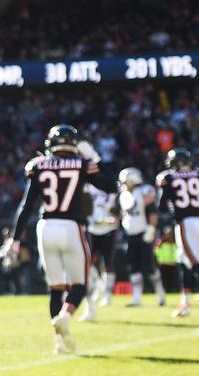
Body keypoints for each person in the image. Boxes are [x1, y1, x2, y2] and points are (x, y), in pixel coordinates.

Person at [10, 125, 116, 354]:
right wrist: (94, 158)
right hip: (71, 226)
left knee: (55, 288)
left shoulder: (38, 165)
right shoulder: (81, 164)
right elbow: (110, 185)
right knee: (79, 285)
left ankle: (58, 342)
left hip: (45, 227)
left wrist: (15, 239)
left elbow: (26, 206)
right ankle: (65, 316)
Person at [157, 148, 199, 318]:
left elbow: (162, 206)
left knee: (193, 261)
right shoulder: (198, 174)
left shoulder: (169, 177)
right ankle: (185, 303)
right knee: (185, 261)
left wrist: (172, 215)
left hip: (185, 223)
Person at [117, 167, 166, 308]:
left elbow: (153, 212)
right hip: (130, 234)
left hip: (144, 233)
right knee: (133, 266)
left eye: (125, 181)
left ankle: (161, 294)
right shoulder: (124, 195)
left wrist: (151, 229)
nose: (123, 184)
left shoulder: (144, 191)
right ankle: (137, 297)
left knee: (150, 266)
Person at [84, 184, 119, 315]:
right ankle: (99, 285)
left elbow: (118, 211)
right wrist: (90, 219)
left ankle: (107, 295)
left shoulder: (113, 187)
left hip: (109, 229)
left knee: (108, 263)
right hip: (92, 229)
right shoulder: (87, 187)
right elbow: (84, 207)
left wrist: (107, 208)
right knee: (88, 261)